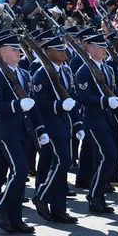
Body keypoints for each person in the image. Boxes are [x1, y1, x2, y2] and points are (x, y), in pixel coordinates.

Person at [0, 34, 49, 234]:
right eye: (14, 49)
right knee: (20, 171)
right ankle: (0, 208)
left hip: (23, 131)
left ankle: (16, 219)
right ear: (3, 52)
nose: (18, 52)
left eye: (18, 49)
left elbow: (32, 107)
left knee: (20, 176)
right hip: (5, 131)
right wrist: (16, 105)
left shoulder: (24, 74)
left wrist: (40, 129)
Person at [75, 33, 118, 212]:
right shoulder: (84, 71)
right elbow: (84, 98)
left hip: (106, 120)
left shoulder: (107, 68)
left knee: (106, 157)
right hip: (92, 121)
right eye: (99, 47)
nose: (103, 49)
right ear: (90, 48)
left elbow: (112, 93)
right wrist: (104, 101)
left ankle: (97, 195)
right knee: (108, 156)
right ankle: (94, 195)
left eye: (104, 46)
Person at [31, 35, 83, 223]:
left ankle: (59, 210)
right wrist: (59, 106)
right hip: (50, 125)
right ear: (49, 52)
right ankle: (42, 195)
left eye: (63, 49)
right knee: (63, 161)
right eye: (59, 49)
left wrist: (77, 122)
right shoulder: (42, 74)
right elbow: (39, 103)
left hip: (63, 125)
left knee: (56, 166)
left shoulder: (66, 71)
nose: (64, 52)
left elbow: (71, 97)